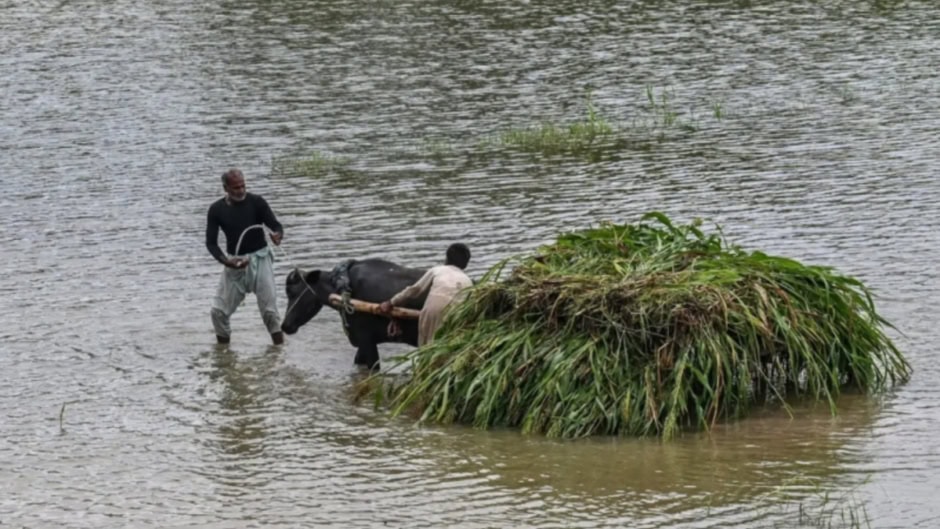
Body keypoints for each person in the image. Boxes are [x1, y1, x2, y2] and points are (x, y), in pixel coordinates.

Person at [206, 168, 285, 345]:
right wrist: (227, 261)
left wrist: (277, 235)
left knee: (270, 312)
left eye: (243, 186)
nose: (241, 191)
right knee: (218, 313)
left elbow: (276, 226)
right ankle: (224, 353)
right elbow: (211, 243)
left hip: (261, 259)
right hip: (234, 262)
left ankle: (279, 352)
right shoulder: (216, 210)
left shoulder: (257, 202)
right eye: (235, 188)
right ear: (225, 188)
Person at [379, 243, 473, 346]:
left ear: (446, 259)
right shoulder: (467, 281)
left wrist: (391, 302)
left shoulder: (437, 270)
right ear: (465, 264)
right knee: (446, 346)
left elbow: (415, 290)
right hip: (455, 316)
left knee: (427, 345)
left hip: (432, 312)